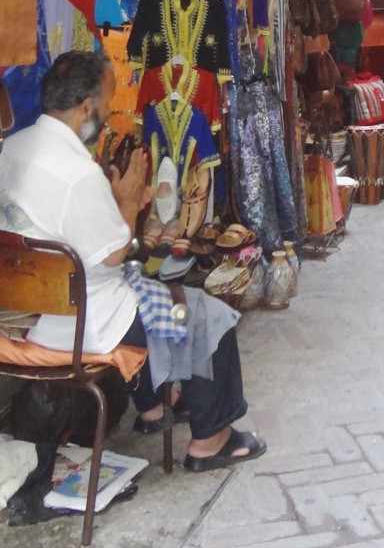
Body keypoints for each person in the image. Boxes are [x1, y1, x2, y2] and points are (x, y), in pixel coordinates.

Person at [0, 51, 265, 473]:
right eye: (105, 103)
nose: (107, 113)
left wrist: (119, 198)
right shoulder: (77, 173)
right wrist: (125, 199)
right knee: (206, 313)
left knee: (154, 290)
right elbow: (116, 252)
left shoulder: (10, 148)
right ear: (86, 107)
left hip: (20, 314)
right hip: (83, 321)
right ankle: (211, 439)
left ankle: (154, 409)